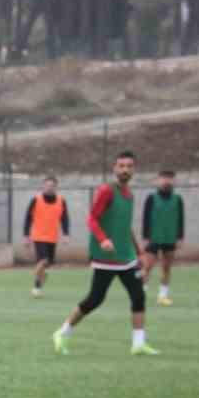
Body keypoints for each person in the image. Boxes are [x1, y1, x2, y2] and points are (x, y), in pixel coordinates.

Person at [53, 150, 158, 357]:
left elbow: (126, 227)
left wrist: (139, 252)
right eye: (121, 166)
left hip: (126, 257)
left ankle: (138, 343)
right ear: (114, 168)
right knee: (95, 299)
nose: (125, 169)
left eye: (129, 166)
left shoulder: (129, 195)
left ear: (134, 169)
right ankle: (62, 332)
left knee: (138, 296)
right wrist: (103, 240)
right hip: (106, 259)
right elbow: (92, 219)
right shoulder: (106, 191)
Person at [141, 170, 184, 306]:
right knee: (147, 267)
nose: (167, 181)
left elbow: (181, 219)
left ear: (174, 181)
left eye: (170, 178)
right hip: (154, 237)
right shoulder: (151, 198)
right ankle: (140, 294)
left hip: (170, 237)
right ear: (158, 180)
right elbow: (145, 218)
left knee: (166, 268)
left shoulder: (178, 199)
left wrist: (180, 237)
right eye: (164, 178)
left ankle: (162, 296)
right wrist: (145, 237)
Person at [23, 174, 69, 298]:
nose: (49, 188)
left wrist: (66, 234)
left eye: (52, 186)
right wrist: (26, 235)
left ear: (56, 187)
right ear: (43, 186)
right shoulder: (36, 199)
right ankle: (37, 284)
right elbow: (28, 218)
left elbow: (64, 218)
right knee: (43, 261)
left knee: (47, 264)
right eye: (47, 185)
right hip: (38, 236)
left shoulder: (61, 201)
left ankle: (38, 284)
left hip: (53, 237)